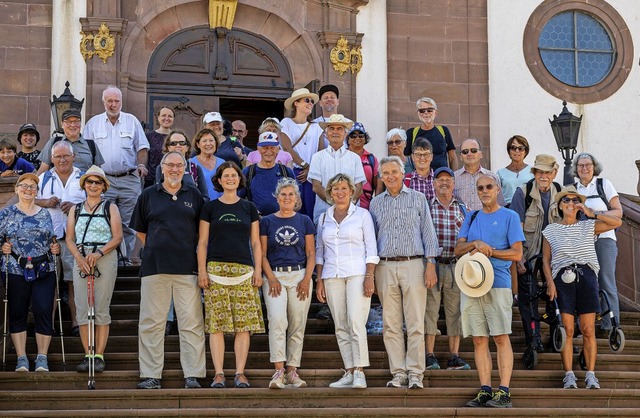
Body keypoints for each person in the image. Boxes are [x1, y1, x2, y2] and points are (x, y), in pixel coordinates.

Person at [130, 152, 206, 389]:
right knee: (152, 322)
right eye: (170, 165)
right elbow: (140, 231)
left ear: (185, 169)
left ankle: (193, 374)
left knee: (191, 322)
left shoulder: (194, 195)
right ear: (162, 168)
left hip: (187, 268)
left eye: (178, 165)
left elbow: (200, 233)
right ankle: (151, 374)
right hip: (155, 267)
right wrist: (157, 245)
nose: (174, 169)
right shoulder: (148, 195)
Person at [454, 175, 524, 408]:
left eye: (489, 187)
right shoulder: (472, 216)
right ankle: (485, 389)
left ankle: (504, 391)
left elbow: (516, 254)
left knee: (501, 337)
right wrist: (475, 245)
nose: (484, 191)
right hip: (472, 284)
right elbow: (457, 249)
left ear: (497, 190)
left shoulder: (509, 216)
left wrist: (490, 251)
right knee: (478, 340)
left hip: (499, 284)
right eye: (480, 187)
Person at [369, 156, 438, 390]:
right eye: (385, 173)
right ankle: (398, 372)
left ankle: (416, 373)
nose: (390, 176)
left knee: (416, 322)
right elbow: (372, 239)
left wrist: (430, 264)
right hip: (385, 266)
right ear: (381, 176)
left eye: (394, 172)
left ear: (402, 173)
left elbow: (428, 233)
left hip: (414, 264)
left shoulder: (418, 199)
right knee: (391, 324)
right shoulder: (375, 203)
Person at [542, 186, 621, 389]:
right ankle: (569, 374)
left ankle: (590, 374)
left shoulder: (588, 225)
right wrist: (550, 283)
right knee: (567, 329)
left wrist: (592, 213)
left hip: (586, 276)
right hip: (562, 277)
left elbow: (617, 222)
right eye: (566, 200)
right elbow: (546, 259)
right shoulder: (551, 229)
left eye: (574, 200)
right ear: (559, 205)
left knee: (587, 330)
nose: (570, 203)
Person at [197, 161, 265, 389]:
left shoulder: (249, 208)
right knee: (216, 326)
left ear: (239, 179)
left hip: (244, 272)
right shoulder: (210, 207)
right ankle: (218, 374)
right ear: (218, 180)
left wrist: (258, 270)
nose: (230, 178)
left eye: (234, 175)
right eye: (225, 175)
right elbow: (203, 242)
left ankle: (239, 373)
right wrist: (202, 271)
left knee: (243, 326)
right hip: (215, 271)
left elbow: (255, 243)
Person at [316, 173, 379, 389]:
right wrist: (319, 280)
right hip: (332, 275)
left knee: (355, 321)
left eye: (344, 188)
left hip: (357, 274)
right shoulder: (324, 217)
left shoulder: (362, 215)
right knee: (340, 325)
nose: (340, 192)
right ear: (330, 193)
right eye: (335, 189)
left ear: (351, 191)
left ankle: (360, 371)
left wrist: (370, 276)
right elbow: (319, 251)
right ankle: (349, 371)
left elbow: (371, 248)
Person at [82, 85, 149, 265]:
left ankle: (125, 260)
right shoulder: (93, 123)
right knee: (103, 219)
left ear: (121, 102)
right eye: (109, 101)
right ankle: (108, 259)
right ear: (103, 102)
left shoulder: (132, 121)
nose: (113, 105)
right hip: (103, 181)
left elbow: (142, 147)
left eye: (116, 101)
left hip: (129, 179)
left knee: (129, 223)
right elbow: (86, 152)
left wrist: (141, 164)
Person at [0, 173, 60, 372]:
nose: (28, 189)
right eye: (24, 186)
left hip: (44, 269)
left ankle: (42, 357)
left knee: (43, 309)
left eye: (32, 186)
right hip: (15, 269)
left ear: (37, 191)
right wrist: (3, 247)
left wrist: (55, 248)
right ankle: (21, 358)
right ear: (16, 189)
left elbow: (51, 239)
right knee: (18, 311)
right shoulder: (6, 214)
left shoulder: (44, 214)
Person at [65, 165, 122, 373]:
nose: (93, 185)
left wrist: (98, 254)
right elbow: (70, 238)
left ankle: (99, 355)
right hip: (81, 259)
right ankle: (87, 353)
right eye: (90, 182)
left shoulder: (110, 208)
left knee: (100, 308)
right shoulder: (75, 209)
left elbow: (117, 236)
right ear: (84, 185)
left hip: (103, 258)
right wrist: (79, 258)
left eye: (98, 182)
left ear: (104, 186)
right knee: (82, 308)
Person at [260, 178, 316, 389]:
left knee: (297, 323)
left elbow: (311, 254)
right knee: (276, 320)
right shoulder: (266, 221)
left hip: (299, 275)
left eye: (291, 194)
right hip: (274, 276)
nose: (287, 198)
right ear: (276, 197)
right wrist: (271, 278)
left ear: (297, 198)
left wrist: (306, 279)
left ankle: (293, 370)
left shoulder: (304, 221)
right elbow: (262, 254)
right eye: (283, 194)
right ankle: (279, 371)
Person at [510, 154, 561, 352]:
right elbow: (515, 229)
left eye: (547, 172)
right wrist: (519, 257)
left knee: (557, 297)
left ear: (554, 173)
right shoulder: (523, 193)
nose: (544, 176)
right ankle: (533, 338)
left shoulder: (562, 194)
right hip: (529, 254)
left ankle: (558, 336)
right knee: (527, 299)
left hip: (555, 258)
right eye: (540, 172)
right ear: (535, 173)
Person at [35, 142, 86, 338]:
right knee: (50, 283)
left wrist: (76, 206)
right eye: (58, 157)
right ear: (52, 159)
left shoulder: (83, 178)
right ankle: (49, 326)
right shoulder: (43, 178)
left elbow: (97, 202)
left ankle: (75, 323)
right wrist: (45, 202)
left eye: (66, 156)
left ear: (74, 156)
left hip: (76, 240)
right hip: (50, 239)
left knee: (74, 283)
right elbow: (28, 198)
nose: (62, 160)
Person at [571, 153, 623, 335]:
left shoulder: (603, 184)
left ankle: (611, 326)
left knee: (606, 282)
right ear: (576, 169)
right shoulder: (572, 189)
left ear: (594, 167)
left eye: (588, 165)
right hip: (581, 242)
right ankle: (583, 325)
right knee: (582, 282)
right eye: (580, 165)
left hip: (605, 240)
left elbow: (618, 213)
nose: (584, 168)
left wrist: (595, 213)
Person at [425, 167, 470, 371]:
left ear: (453, 183)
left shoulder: (462, 207)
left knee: (455, 312)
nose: (444, 183)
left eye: (448, 179)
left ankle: (454, 356)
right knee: (430, 311)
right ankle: (429, 355)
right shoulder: (426, 206)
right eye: (440, 179)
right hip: (433, 266)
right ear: (434, 183)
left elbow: (469, 236)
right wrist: (428, 264)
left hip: (455, 266)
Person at [308, 114, 366, 224]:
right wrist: (337, 205)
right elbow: (316, 187)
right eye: (331, 128)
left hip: (351, 216)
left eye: (339, 128)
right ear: (326, 134)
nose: (335, 132)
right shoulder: (317, 157)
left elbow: (359, 188)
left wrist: (346, 207)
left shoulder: (355, 158)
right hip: (324, 214)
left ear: (345, 134)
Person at [280, 88, 325, 219]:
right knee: (293, 209)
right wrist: (306, 166)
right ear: (296, 103)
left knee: (311, 210)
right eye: (307, 100)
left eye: (311, 101)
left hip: (311, 174)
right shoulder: (286, 123)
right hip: (293, 172)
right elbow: (287, 148)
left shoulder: (316, 127)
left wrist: (311, 169)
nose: (310, 103)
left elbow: (320, 152)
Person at [241, 132, 294, 216]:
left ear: (278, 149)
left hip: (282, 220)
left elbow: (296, 199)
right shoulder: (248, 172)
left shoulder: (286, 172)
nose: (269, 151)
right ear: (258, 149)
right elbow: (239, 198)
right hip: (256, 221)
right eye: (265, 148)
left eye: (272, 148)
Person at [37, 108, 105, 174]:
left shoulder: (91, 145)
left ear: (80, 123)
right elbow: (43, 169)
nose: (73, 125)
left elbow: (98, 172)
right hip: (60, 184)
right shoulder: (54, 142)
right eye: (68, 122)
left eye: (76, 121)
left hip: (83, 184)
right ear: (62, 124)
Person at [404, 97, 457, 171]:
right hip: (420, 179)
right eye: (422, 110)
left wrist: (453, 176)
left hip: (441, 178)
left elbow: (452, 157)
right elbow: (405, 158)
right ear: (418, 113)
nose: (426, 113)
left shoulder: (443, 131)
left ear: (435, 112)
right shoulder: (411, 133)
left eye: (430, 110)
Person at [154, 129, 209, 200]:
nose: (178, 145)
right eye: (173, 143)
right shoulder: (161, 168)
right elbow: (158, 194)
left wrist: (194, 205)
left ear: (187, 147)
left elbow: (205, 197)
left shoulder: (195, 169)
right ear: (168, 147)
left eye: (182, 143)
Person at [454, 139, 505, 211]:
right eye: (465, 152)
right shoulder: (454, 178)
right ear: (460, 157)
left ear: (481, 154)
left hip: (487, 220)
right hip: (462, 221)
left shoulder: (492, 177)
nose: (469, 154)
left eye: (474, 150)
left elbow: (500, 204)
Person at [346, 122, 382, 209]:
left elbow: (378, 184)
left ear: (365, 138)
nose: (357, 138)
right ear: (348, 139)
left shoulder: (371, 159)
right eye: (353, 136)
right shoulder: (342, 156)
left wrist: (376, 203)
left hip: (366, 206)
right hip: (345, 205)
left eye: (361, 135)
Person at [496, 135, 534, 206]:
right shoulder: (500, 173)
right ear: (509, 151)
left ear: (525, 151)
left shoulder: (532, 171)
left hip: (528, 210)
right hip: (507, 210)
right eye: (513, 148)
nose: (517, 151)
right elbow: (496, 196)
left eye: (521, 148)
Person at [145, 106, 175, 188]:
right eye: (163, 115)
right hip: (151, 179)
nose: (167, 118)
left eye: (170, 116)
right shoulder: (148, 136)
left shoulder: (176, 136)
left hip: (173, 178)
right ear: (158, 118)